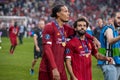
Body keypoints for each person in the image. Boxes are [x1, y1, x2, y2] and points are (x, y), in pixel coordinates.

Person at [38, 4, 100, 80]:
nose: (68, 13)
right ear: (58, 14)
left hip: (61, 68)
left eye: (68, 11)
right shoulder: (49, 27)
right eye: (65, 11)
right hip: (48, 69)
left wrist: (93, 38)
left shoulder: (66, 29)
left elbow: (80, 31)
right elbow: (47, 49)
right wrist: (54, 68)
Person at [98, 11, 120, 80]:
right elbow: (110, 41)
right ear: (112, 19)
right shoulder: (108, 29)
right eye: (118, 18)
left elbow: (116, 47)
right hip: (108, 62)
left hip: (115, 61)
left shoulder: (115, 31)